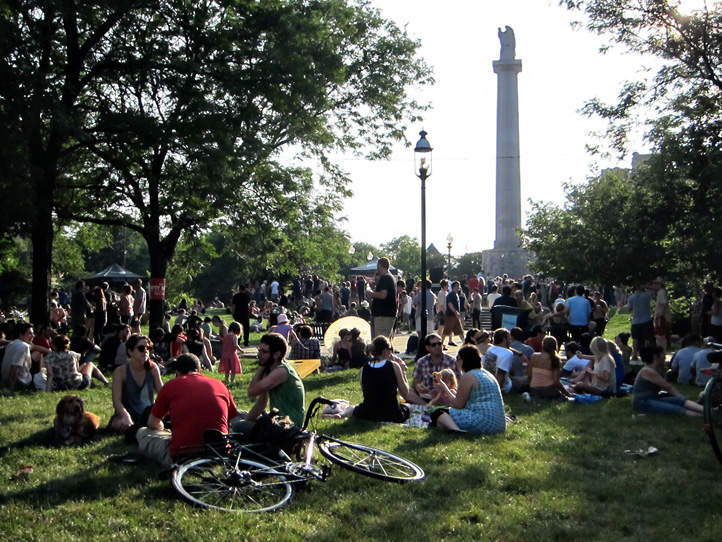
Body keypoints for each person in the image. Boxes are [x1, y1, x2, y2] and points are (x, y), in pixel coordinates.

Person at [136, 354, 240, 468]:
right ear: (200, 370)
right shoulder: (220, 384)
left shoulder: (171, 385)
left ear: (177, 373)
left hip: (183, 454)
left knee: (142, 432)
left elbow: (152, 423)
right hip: (219, 451)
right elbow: (231, 418)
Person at [431, 346, 506, 434]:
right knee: (443, 420)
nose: (456, 361)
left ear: (465, 361)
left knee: (437, 414)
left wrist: (444, 387)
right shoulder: (487, 374)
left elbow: (457, 405)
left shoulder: (468, 376)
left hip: (483, 422)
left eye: (458, 358)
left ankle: (456, 431)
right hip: (499, 425)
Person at [240, 333, 305, 427]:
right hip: (275, 421)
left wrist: (262, 367)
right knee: (236, 415)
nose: (258, 355)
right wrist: (246, 422)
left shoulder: (281, 371)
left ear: (277, 354)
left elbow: (252, 391)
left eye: (263, 352)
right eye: (259, 350)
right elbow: (261, 403)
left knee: (237, 425)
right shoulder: (271, 370)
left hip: (287, 426)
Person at [109, 334, 163, 433]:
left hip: (147, 413)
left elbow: (162, 394)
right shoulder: (120, 371)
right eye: (141, 348)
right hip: (128, 413)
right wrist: (125, 416)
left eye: (148, 348)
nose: (145, 351)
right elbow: (116, 400)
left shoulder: (153, 368)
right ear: (130, 351)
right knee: (117, 425)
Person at [352, 336, 411, 423]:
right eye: (390, 349)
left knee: (352, 408)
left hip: (368, 413)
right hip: (391, 414)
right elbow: (405, 393)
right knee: (410, 407)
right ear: (385, 350)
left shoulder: (363, 369)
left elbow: (366, 392)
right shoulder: (394, 366)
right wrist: (403, 373)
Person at [633, 345, 704, 417]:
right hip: (643, 402)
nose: (665, 356)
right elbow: (668, 387)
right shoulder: (648, 371)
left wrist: (681, 399)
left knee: (679, 401)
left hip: (654, 399)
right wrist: (681, 397)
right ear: (655, 356)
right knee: (675, 409)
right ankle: (707, 415)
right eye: (662, 354)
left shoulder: (657, 369)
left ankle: (709, 410)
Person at [410, 333, 461, 403]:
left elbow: (460, 383)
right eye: (433, 345)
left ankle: (428, 407)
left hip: (447, 396)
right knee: (408, 390)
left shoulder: (452, 361)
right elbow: (415, 383)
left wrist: (443, 390)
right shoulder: (421, 362)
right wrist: (418, 386)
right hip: (427, 396)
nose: (437, 346)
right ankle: (426, 406)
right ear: (427, 348)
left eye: (439, 343)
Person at [2, 322, 49, 392]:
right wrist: (11, 388)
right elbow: (14, 368)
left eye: (33, 333)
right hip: (21, 382)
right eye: (29, 334)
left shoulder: (11, 344)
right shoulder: (23, 347)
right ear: (21, 335)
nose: (33, 336)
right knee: (39, 354)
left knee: (37, 352)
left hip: (4, 379)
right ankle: (37, 379)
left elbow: (35, 347)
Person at [367, 257, 398, 339]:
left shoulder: (385, 278)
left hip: (383, 315)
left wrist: (370, 293)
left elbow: (383, 295)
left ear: (380, 265)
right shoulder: (391, 277)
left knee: (381, 340)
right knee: (384, 340)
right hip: (386, 314)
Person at [628, 283, 655, 359]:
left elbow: (629, 309)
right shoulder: (647, 295)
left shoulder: (631, 297)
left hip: (636, 321)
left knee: (635, 338)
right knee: (647, 338)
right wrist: (647, 286)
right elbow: (655, 289)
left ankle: (635, 354)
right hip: (646, 319)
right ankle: (647, 354)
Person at [442, 281, 464, 348]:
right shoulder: (450, 295)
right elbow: (449, 304)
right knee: (446, 331)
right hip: (450, 316)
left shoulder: (456, 295)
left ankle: (466, 344)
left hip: (455, 316)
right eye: (457, 286)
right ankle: (440, 344)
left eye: (459, 286)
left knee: (460, 331)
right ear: (453, 287)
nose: (458, 287)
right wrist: (455, 312)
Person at [652, 277, 671, 355]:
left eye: (656, 283)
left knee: (660, 335)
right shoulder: (660, 292)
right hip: (660, 316)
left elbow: (664, 303)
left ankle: (661, 351)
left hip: (661, 317)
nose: (655, 285)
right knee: (660, 335)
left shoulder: (661, 292)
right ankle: (661, 350)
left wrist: (661, 313)